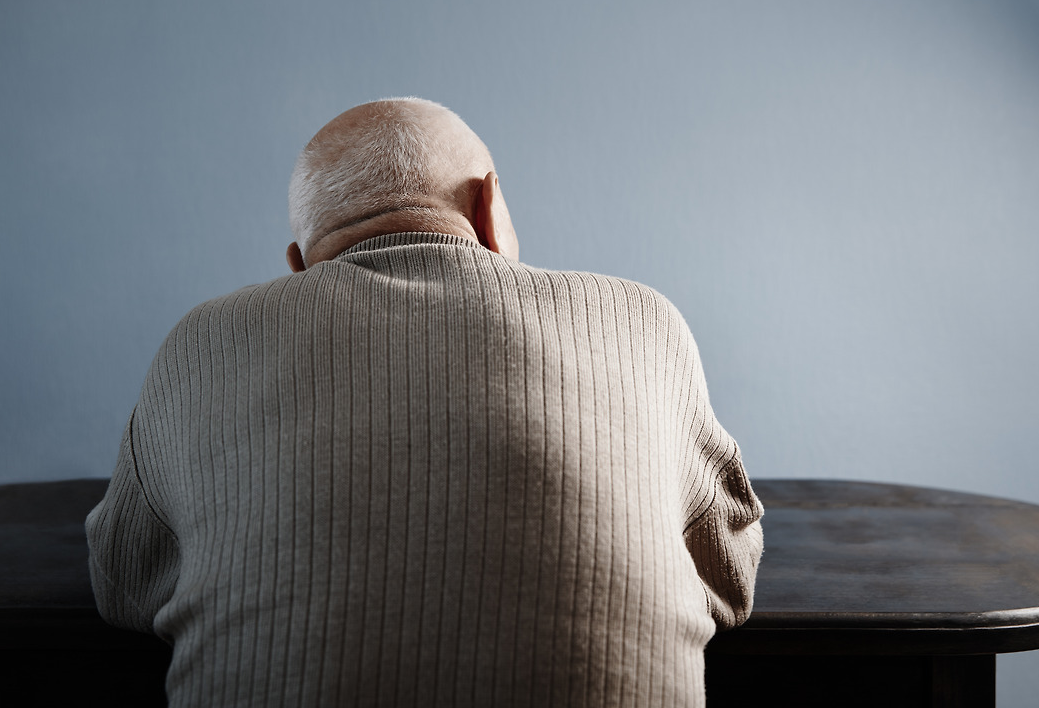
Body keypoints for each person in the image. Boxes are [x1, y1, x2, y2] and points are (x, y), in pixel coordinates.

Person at [85, 97, 763, 707]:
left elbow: (125, 585)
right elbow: (728, 577)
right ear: (489, 210)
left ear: (298, 266)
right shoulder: (639, 321)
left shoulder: (200, 342)